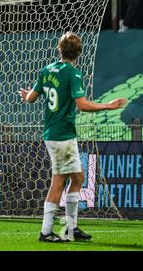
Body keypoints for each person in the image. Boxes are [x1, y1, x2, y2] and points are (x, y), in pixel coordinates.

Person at [19, 32, 127, 242]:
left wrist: (26, 96)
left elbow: (31, 97)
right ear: (79, 52)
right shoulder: (73, 73)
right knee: (59, 182)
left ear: (59, 49)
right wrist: (108, 105)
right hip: (62, 134)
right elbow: (82, 105)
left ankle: (71, 227)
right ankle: (46, 231)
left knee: (77, 177)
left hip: (53, 132)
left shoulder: (47, 70)